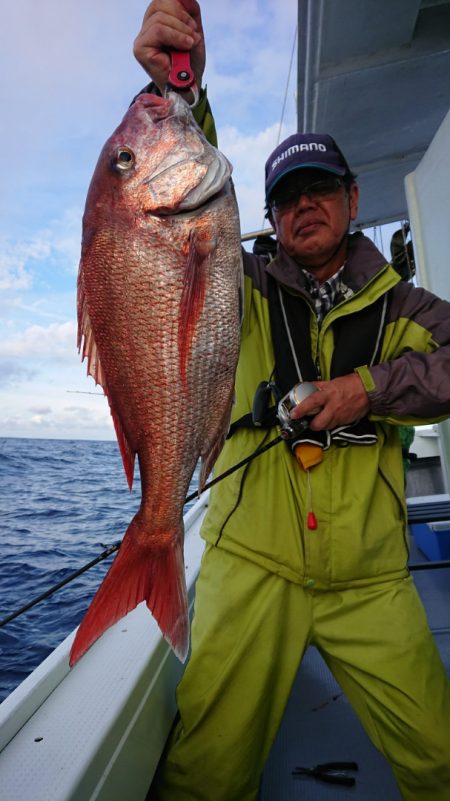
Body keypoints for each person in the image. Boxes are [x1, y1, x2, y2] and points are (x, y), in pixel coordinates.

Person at [134, 3, 450, 800]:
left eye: (318, 189)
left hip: (372, 581)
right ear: (267, 215)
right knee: (204, 776)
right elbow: (181, 213)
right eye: (285, 196)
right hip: (251, 568)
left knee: (442, 762)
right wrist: (183, 93)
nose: (301, 205)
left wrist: (366, 390)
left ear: (350, 197)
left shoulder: (404, 307)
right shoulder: (233, 286)